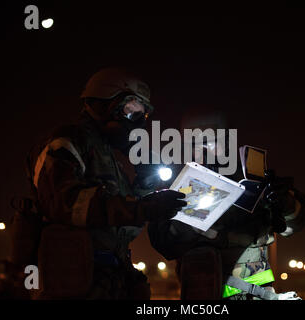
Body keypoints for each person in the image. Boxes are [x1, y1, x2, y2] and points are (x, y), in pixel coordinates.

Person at [19, 68, 186, 299]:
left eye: (142, 115)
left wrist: (146, 187)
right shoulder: (68, 141)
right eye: (130, 111)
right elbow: (64, 203)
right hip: (72, 277)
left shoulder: (108, 156)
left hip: (107, 278)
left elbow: (122, 228)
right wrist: (141, 208)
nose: (136, 123)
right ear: (100, 104)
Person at [147, 109, 305, 300]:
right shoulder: (177, 188)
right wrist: (187, 223)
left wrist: (285, 204)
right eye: (196, 146)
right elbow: (162, 243)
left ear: (226, 143)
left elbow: (295, 225)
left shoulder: (253, 179)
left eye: (211, 143)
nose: (205, 151)